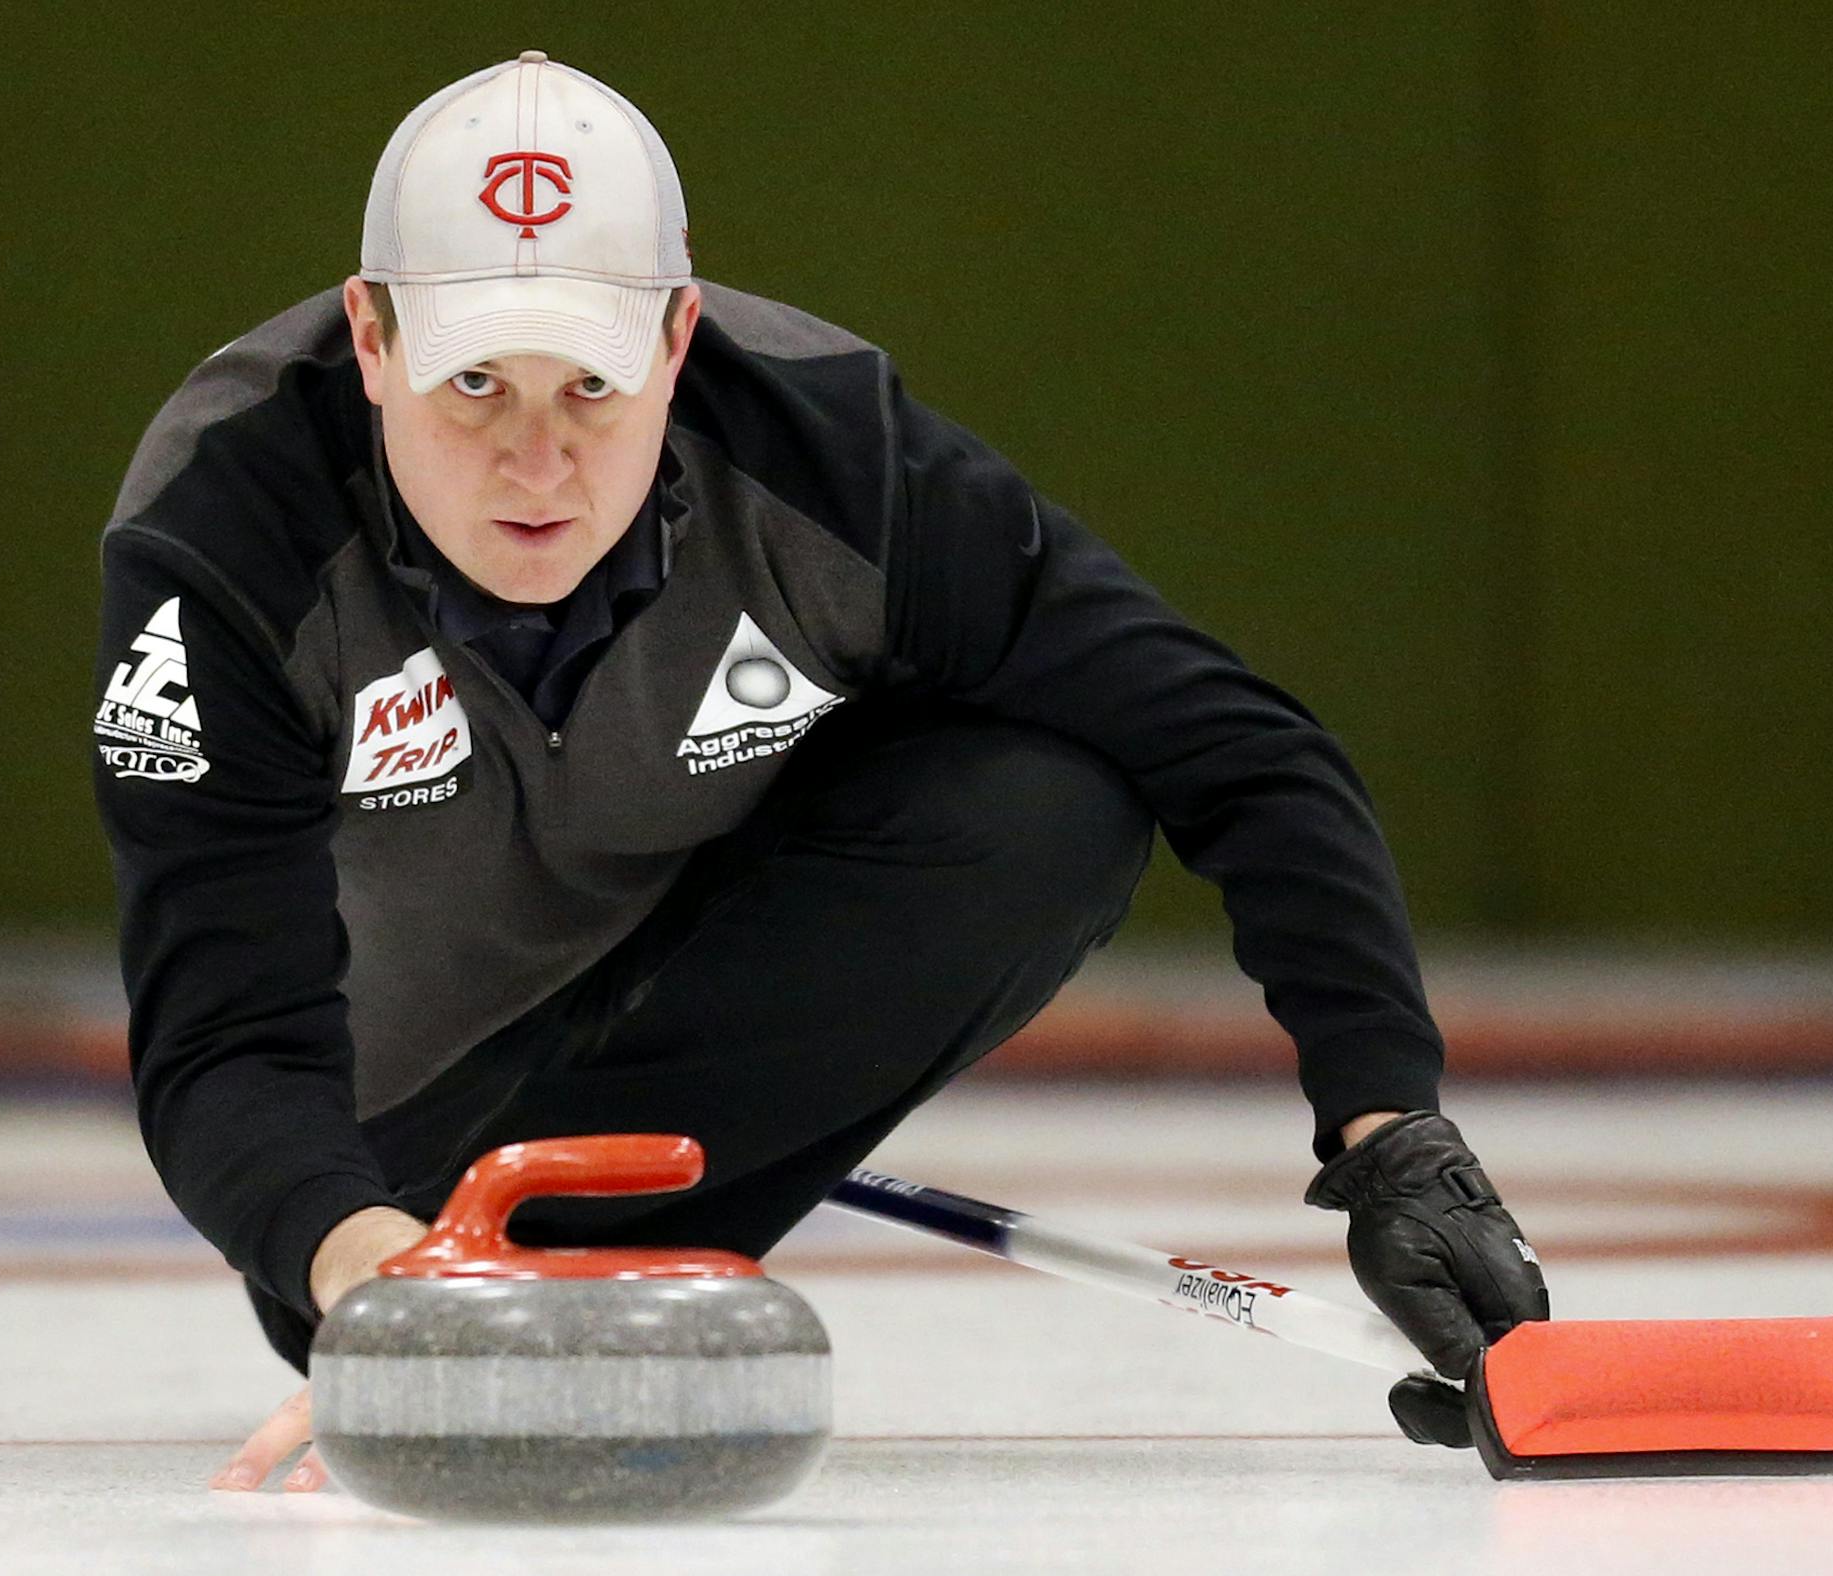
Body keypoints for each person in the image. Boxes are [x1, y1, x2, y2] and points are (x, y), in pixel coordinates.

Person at [91, 50, 1547, 1495]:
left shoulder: (833, 461)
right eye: (474, 382)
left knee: (1050, 810)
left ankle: (573, 1274)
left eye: (589, 385)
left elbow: (1236, 745)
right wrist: (363, 1269)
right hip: (386, 1154)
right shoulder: (226, 531)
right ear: (370, 337)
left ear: (676, 339)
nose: (534, 467)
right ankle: (461, 1275)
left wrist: (1391, 1130)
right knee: (339, 1219)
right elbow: (223, 1042)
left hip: (706, 973)